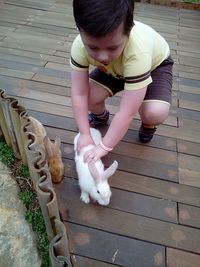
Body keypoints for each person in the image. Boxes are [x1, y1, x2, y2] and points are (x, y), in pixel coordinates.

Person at [70, 0, 174, 163]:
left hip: (153, 66)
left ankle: (148, 124)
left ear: (129, 31)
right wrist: (84, 134)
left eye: (112, 47)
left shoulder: (138, 52)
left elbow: (127, 111)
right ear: (80, 31)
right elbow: (79, 93)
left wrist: (104, 147)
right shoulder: (79, 46)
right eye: (93, 48)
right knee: (89, 97)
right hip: (115, 68)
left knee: (154, 113)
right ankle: (101, 115)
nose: (103, 56)